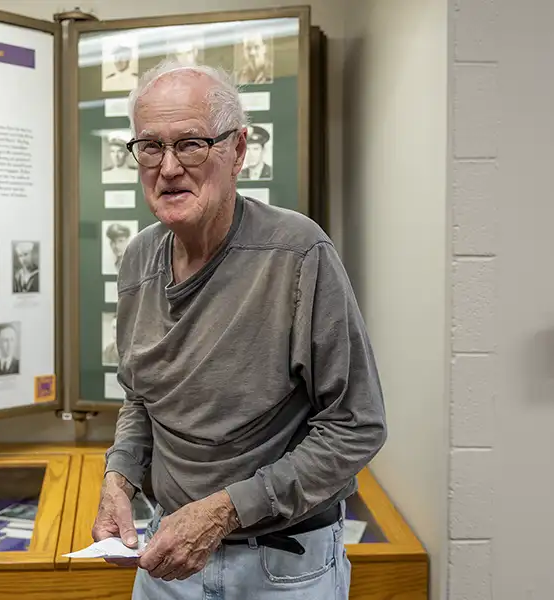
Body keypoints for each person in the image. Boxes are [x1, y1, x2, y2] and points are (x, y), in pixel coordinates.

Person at [91, 60, 387, 599]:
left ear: (239, 151)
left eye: (192, 144)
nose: (169, 167)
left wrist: (225, 511)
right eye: (150, 147)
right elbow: (141, 396)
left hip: (282, 567)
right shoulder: (137, 260)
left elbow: (356, 425)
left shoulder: (298, 252)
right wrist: (119, 475)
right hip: (167, 559)